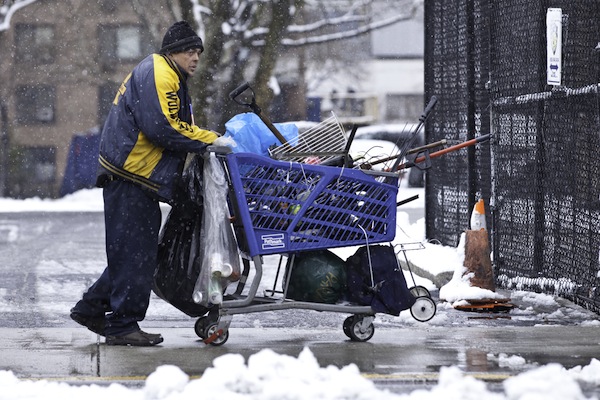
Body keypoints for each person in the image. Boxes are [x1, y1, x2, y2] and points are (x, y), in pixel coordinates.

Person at [70, 21, 219, 346]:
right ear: (172, 52)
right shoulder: (160, 73)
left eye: (198, 52)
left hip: (134, 177)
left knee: (134, 252)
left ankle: (92, 308)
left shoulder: (166, 74)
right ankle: (123, 324)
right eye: (189, 51)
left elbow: (171, 124)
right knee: (136, 254)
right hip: (130, 175)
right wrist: (211, 140)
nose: (195, 58)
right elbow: (163, 127)